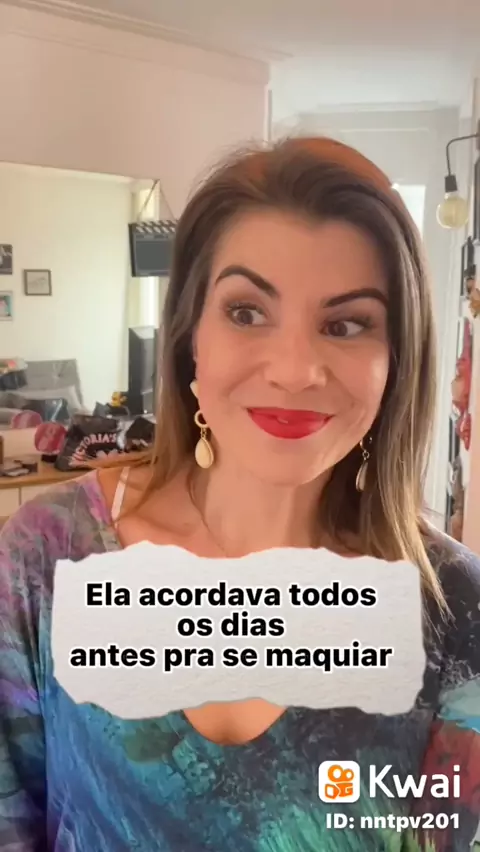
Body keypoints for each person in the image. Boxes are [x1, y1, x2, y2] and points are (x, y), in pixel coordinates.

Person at [0, 136, 479, 851]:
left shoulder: (456, 608)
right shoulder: (45, 559)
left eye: (346, 324)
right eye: (248, 312)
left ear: (395, 361)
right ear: (191, 335)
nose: (294, 369)